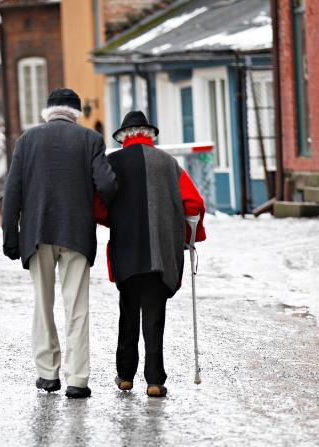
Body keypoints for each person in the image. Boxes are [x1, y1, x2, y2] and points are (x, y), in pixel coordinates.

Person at [1, 88, 118, 399]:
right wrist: (111, 207)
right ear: (76, 113)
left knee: (43, 303)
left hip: (36, 233)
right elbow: (106, 184)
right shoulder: (90, 140)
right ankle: (77, 379)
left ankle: (47, 374)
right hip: (77, 233)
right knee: (77, 307)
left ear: (48, 112)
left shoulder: (27, 141)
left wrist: (10, 237)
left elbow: (12, 192)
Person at [94, 111, 206, 398]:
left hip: (127, 249)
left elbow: (99, 204)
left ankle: (126, 376)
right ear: (149, 134)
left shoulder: (113, 162)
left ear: (123, 136)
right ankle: (155, 380)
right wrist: (188, 235)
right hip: (160, 252)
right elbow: (193, 204)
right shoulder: (169, 164)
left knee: (128, 311)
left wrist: (113, 219)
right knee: (155, 317)